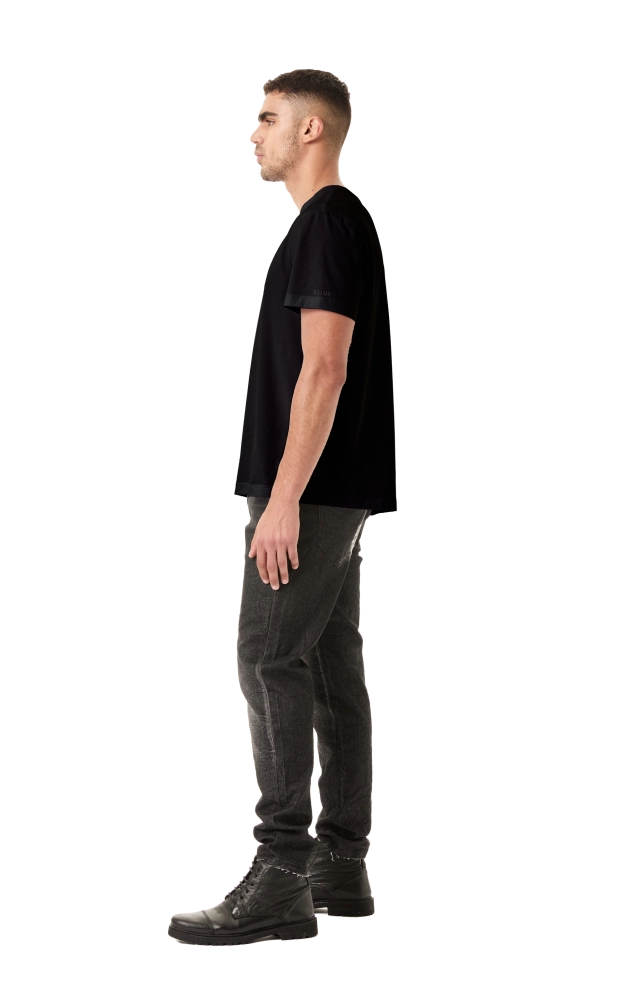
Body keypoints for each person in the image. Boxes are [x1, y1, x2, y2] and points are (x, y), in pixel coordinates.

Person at [169, 69, 396, 948]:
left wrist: (284, 499)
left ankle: (279, 875)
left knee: (267, 656)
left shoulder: (328, 222)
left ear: (312, 130)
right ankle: (338, 865)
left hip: (309, 488)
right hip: (332, 486)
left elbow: (325, 369)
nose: (255, 135)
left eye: (268, 119)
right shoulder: (333, 225)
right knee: (330, 662)